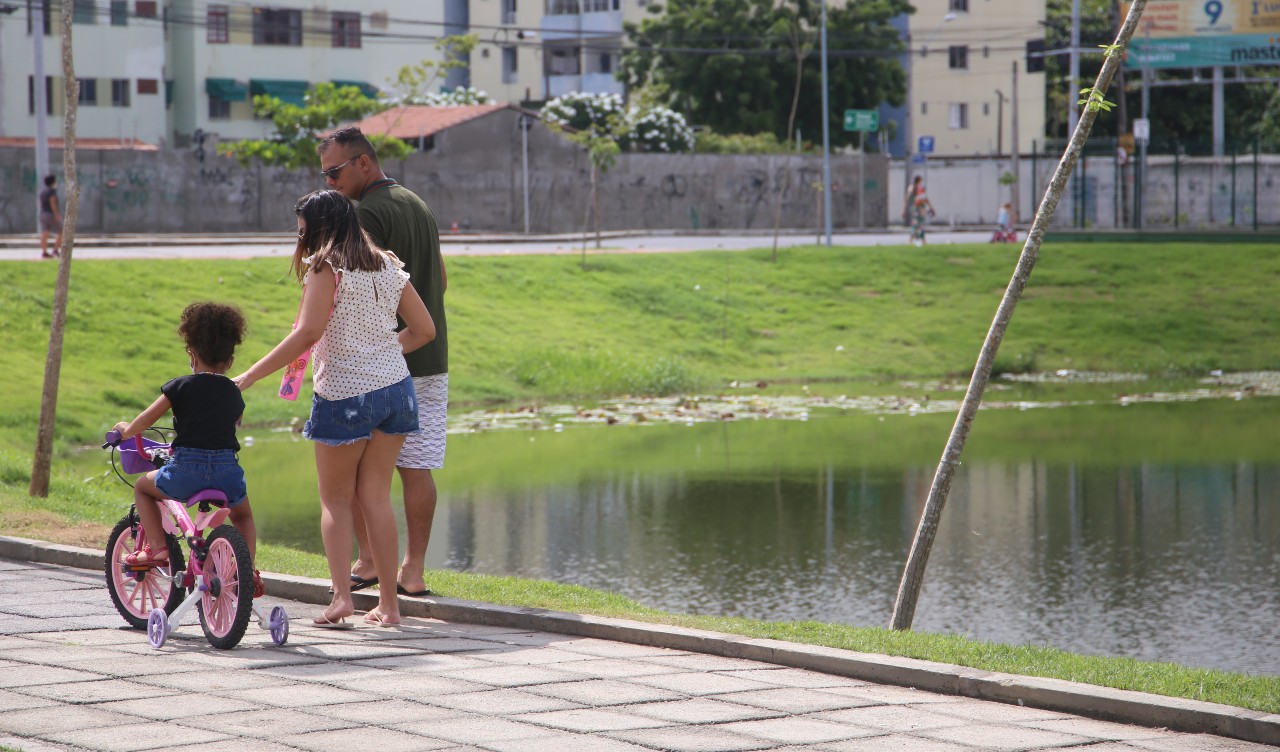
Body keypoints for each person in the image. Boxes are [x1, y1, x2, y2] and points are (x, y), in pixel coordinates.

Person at [233, 189, 435, 628]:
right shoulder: (386, 263)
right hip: (396, 392)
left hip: (344, 395)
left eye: (302, 229)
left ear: (317, 227)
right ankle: (389, 606)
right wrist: (380, 353)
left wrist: (247, 377)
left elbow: (307, 334)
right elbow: (424, 330)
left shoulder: (326, 267)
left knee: (336, 502)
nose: (299, 238)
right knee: (377, 497)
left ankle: (342, 597)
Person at [317, 126, 448, 599]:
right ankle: (411, 570)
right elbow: (441, 279)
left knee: (354, 469)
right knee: (418, 466)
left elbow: (353, 286)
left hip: (378, 364)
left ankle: (370, 560)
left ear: (363, 163)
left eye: (334, 172)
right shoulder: (417, 203)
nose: (330, 183)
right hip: (431, 354)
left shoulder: (366, 213)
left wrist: (376, 343)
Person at [110, 302, 264, 597]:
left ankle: (157, 549)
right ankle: (247, 569)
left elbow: (145, 420)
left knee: (143, 487)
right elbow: (233, 421)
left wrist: (124, 431)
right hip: (226, 472)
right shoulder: (234, 391)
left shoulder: (179, 387)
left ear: (191, 355)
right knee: (242, 514)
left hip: (186, 471)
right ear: (230, 361)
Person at [903, 175, 935, 247]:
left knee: (917, 224)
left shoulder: (910, 188)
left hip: (913, 209)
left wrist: (904, 210)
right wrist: (931, 208)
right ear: (919, 181)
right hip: (920, 209)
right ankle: (913, 239)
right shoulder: (920, 188)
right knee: (919, 225)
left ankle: (922, 240)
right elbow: (925, 200)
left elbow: (906, 200)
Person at [39, 174, 62, 259]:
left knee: (45, 233)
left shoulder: (43, 192)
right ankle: (55, 249)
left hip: (43, 213)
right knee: (61, 232)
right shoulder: (52, 192)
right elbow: (53, 203)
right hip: (50, 214)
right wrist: (56, 214)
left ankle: (44, 252)